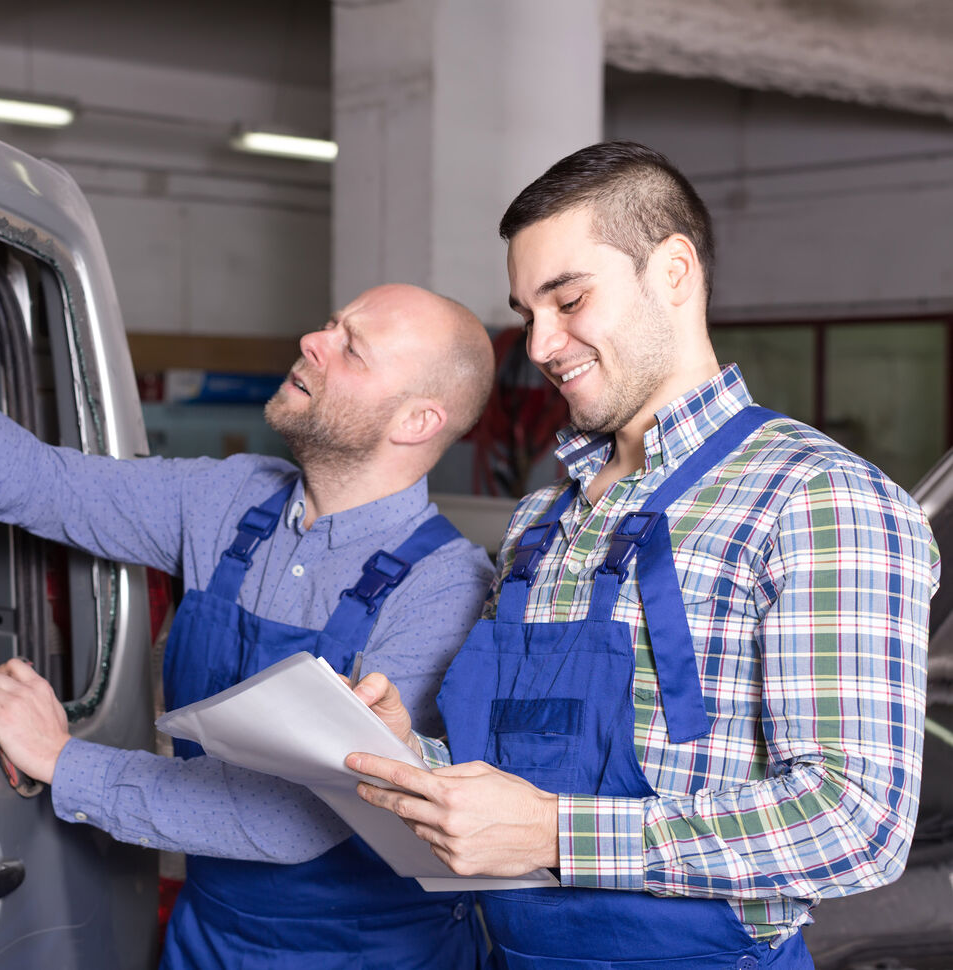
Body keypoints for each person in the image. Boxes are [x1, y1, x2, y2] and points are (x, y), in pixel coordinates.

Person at [347, 141, 940, 969]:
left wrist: (553, 832)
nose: (542, 345)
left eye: (569, 299)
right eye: (527, 314)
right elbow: (524, 778)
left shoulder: (814, 497)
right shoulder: (538, 522)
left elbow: (854, 824)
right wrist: (418, 762)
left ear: (673, 271)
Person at [0, 277, 498, 968]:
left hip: (367, 954)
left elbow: (294, 818)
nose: (313, 340)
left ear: (417, 421)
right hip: (209, 936)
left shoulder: (446, 588)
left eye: (351, 349)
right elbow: (41, 484)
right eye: (331, 323)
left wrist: (62, 761)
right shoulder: (233, 498)